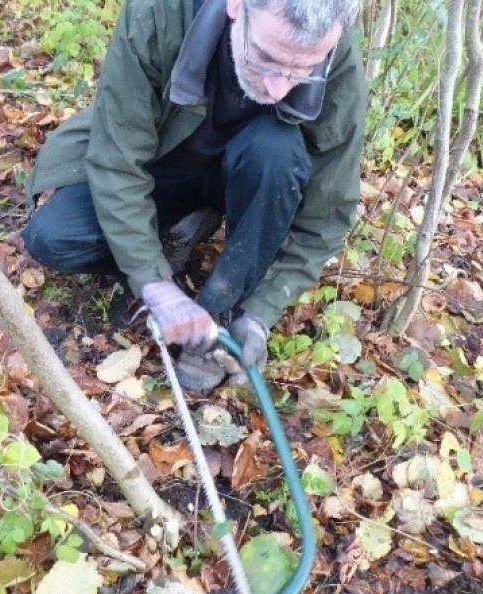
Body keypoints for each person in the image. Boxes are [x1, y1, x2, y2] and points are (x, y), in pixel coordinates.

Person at [22, 0, 366, 391]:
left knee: (276, 152)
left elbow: (328, 212)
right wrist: (153, 282)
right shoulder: (158, 13)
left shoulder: (332, 52)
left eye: (302, 71)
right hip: (161, 162)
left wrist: (260, 312)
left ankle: (220, 319)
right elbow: (117, 158)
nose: (278, 87)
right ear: (237, 5)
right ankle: (178, 231)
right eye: (266, 59)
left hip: (247, 175)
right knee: (54, 237)